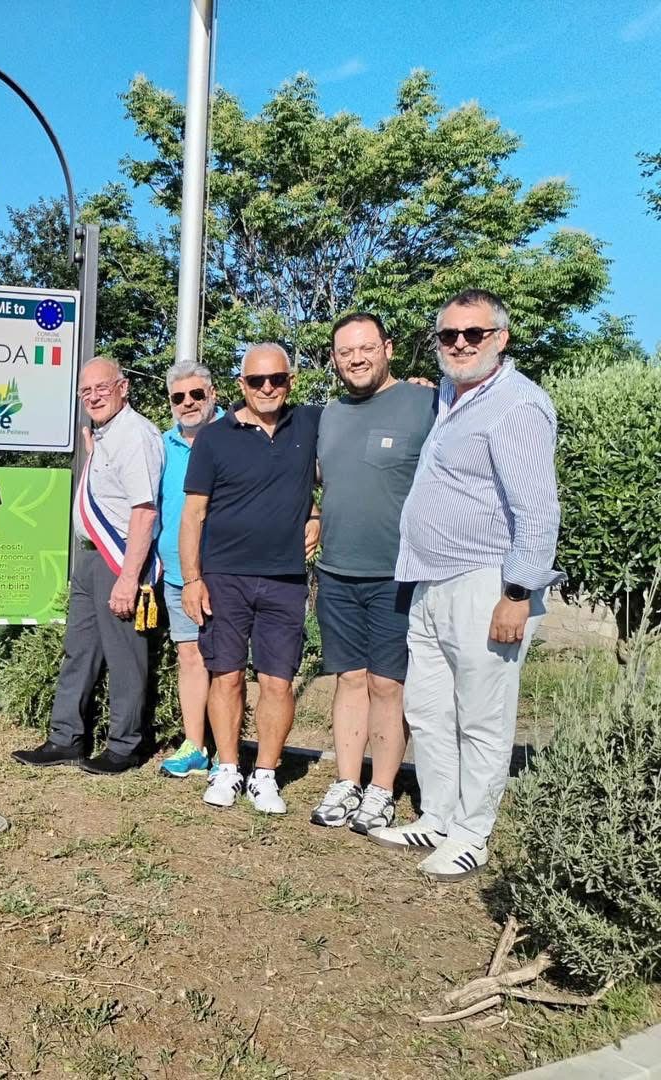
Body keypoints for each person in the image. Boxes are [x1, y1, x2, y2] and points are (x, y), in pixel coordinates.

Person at [370, 289, 560, 880]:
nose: (458, 344)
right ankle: (441, 815)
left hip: (486, 582)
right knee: (429, 709)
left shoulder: (517, 406)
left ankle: (473, 833)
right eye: (447, 335)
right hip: (430, 580)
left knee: (482, 715)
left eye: (471, 334)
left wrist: (517, 592)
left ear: (499, 339)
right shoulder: (452, 396)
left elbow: (536, 509)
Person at [180, 344, 321, 814]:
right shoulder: (214, 438)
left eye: (276, 379)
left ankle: (264, 774)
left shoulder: (310, 425)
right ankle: (226, 768)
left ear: (290, 381)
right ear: (241, 385)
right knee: (227, 676)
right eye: (257, 381)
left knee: (278, 681)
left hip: (284, 579)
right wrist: (192, 579)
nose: (267, 388)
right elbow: (193, 515)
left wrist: (317, 513)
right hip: (224, 577)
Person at [309, 314, 436, 834]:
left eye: (366, 348)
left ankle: (381, 789)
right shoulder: (328, 416)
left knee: (388, 683)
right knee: (349, 679)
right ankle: (346, 780)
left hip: (397, 574)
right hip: (336, 571)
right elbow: (318, 481)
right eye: (345, 352)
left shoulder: (425, 402)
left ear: (387, 347)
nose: (356, 358)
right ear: (334, 359)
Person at [13, 356, 164, 774]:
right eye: (86, 391)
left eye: (102, 387)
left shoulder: (135, 434)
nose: (94, 396)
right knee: (78, 651)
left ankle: (124, 746)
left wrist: (129, 579)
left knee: (124, 658)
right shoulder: (105, 434)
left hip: (119, 562)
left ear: (124, 386)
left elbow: (144, 511)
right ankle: (66, 739)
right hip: (91, 559)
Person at [156, 361, 223, 780]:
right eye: (179, 397)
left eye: (196, 394)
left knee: (226, 661)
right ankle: (195, 746)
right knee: (190, 656)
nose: (188, 403)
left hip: (224, 572)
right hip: (178, 574)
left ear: (213, 394)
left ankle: (227, 753)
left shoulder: (235, 435)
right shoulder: (161, 445)